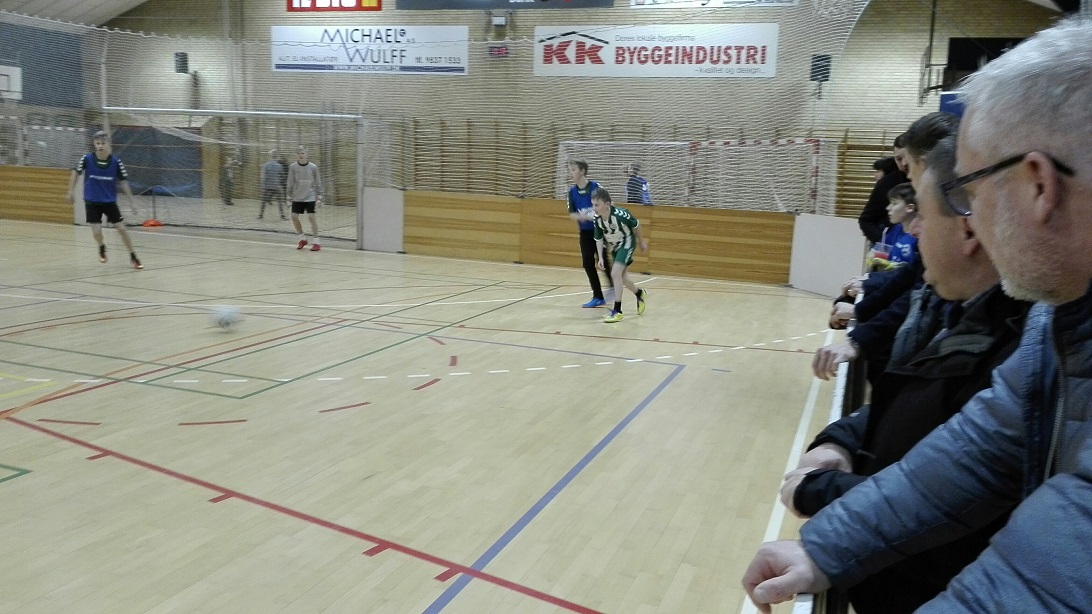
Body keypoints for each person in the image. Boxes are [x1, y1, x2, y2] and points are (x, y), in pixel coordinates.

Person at [743, 18, 1092, 612]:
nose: (969, 221)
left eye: (971, 194)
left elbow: (1048, 582)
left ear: (1038, 186)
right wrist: (829, 546)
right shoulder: (1054, 321)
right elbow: (979, 450)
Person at [781, 135, 1031, 613]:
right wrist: (843, 441)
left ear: (969, 230)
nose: (914, 232)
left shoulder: (1018, 342)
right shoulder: (969, 315)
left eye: (925, 218)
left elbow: (964, 498)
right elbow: (915, 406)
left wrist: (822, 493)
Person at [66, 130, 143, 270]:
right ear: (94, 144)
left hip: (109, 201)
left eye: (103, 143)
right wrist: (70, 191)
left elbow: (124, 182)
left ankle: (133, 256)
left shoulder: (116, 162)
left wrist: (132, 201)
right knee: (96, 232)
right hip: (91, 201)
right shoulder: (87, 159)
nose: (100, 146)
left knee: (121, 229)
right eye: (98, 143)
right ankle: (101, 246)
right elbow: (75, 172)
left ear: (108, 144)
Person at [591, 187, 648, 323]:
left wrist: (641, 242)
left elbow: (637, 224)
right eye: (593, 205)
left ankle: (617, 311)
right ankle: (639, 293)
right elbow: (598, 238)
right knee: (623, 278)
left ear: (607, 204)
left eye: (597, 205)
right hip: (614, 247)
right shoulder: (597, 219)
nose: (594, 208)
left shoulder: (621, 215)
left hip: (626, 243)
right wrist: (601, 257)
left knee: (615, 273)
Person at [566, 159, 611, 307]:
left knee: (603, 261)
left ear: (582, 171)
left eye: (573, 170)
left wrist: (598, 215)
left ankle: (613, 285)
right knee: (587, 262)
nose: (571, 173)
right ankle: (598, 296)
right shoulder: (572, 192)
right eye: (570, 170)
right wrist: (584, 216)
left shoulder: (596, 187)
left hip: (600, 231)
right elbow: (572, 214)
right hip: (585, 233)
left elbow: (610, 204)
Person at [858, 140, 909, 243]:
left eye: (907, 158)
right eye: (898, 159)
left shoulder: (930, 181)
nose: (903, 163)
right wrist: (885, 242)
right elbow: (866, 220)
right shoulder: (886, 183)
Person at [871, 182, 918, 270]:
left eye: (894, 203)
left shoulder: (919, 237)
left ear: (910, 208)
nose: (888, 208)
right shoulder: (896, 229)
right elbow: (878, 252)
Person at [287, 145, 323, 251]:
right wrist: (289, 195)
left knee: (311, 217)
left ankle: (316, 242)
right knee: (294, 216)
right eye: (298, 153)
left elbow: (318, 182)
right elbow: (290, 182)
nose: (301, 155)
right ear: (296, 155)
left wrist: (319, 195)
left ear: (307, 155)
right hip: (297, 196)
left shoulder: (313, 167)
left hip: (309, 196)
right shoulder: (293, 167)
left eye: (302, 153)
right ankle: (302, 239)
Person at [259, 149, 286, 220]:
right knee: (280, 201)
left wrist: (263, 186)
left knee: (263, 201)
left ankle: (260, 215)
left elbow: (263, 177)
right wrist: (281, 182)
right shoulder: (279, 166)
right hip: (276, 186)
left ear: (270, 156)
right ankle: (282, 215)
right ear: (277, 156)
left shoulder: (266, 165)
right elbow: (283, 176)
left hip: (267, 186)